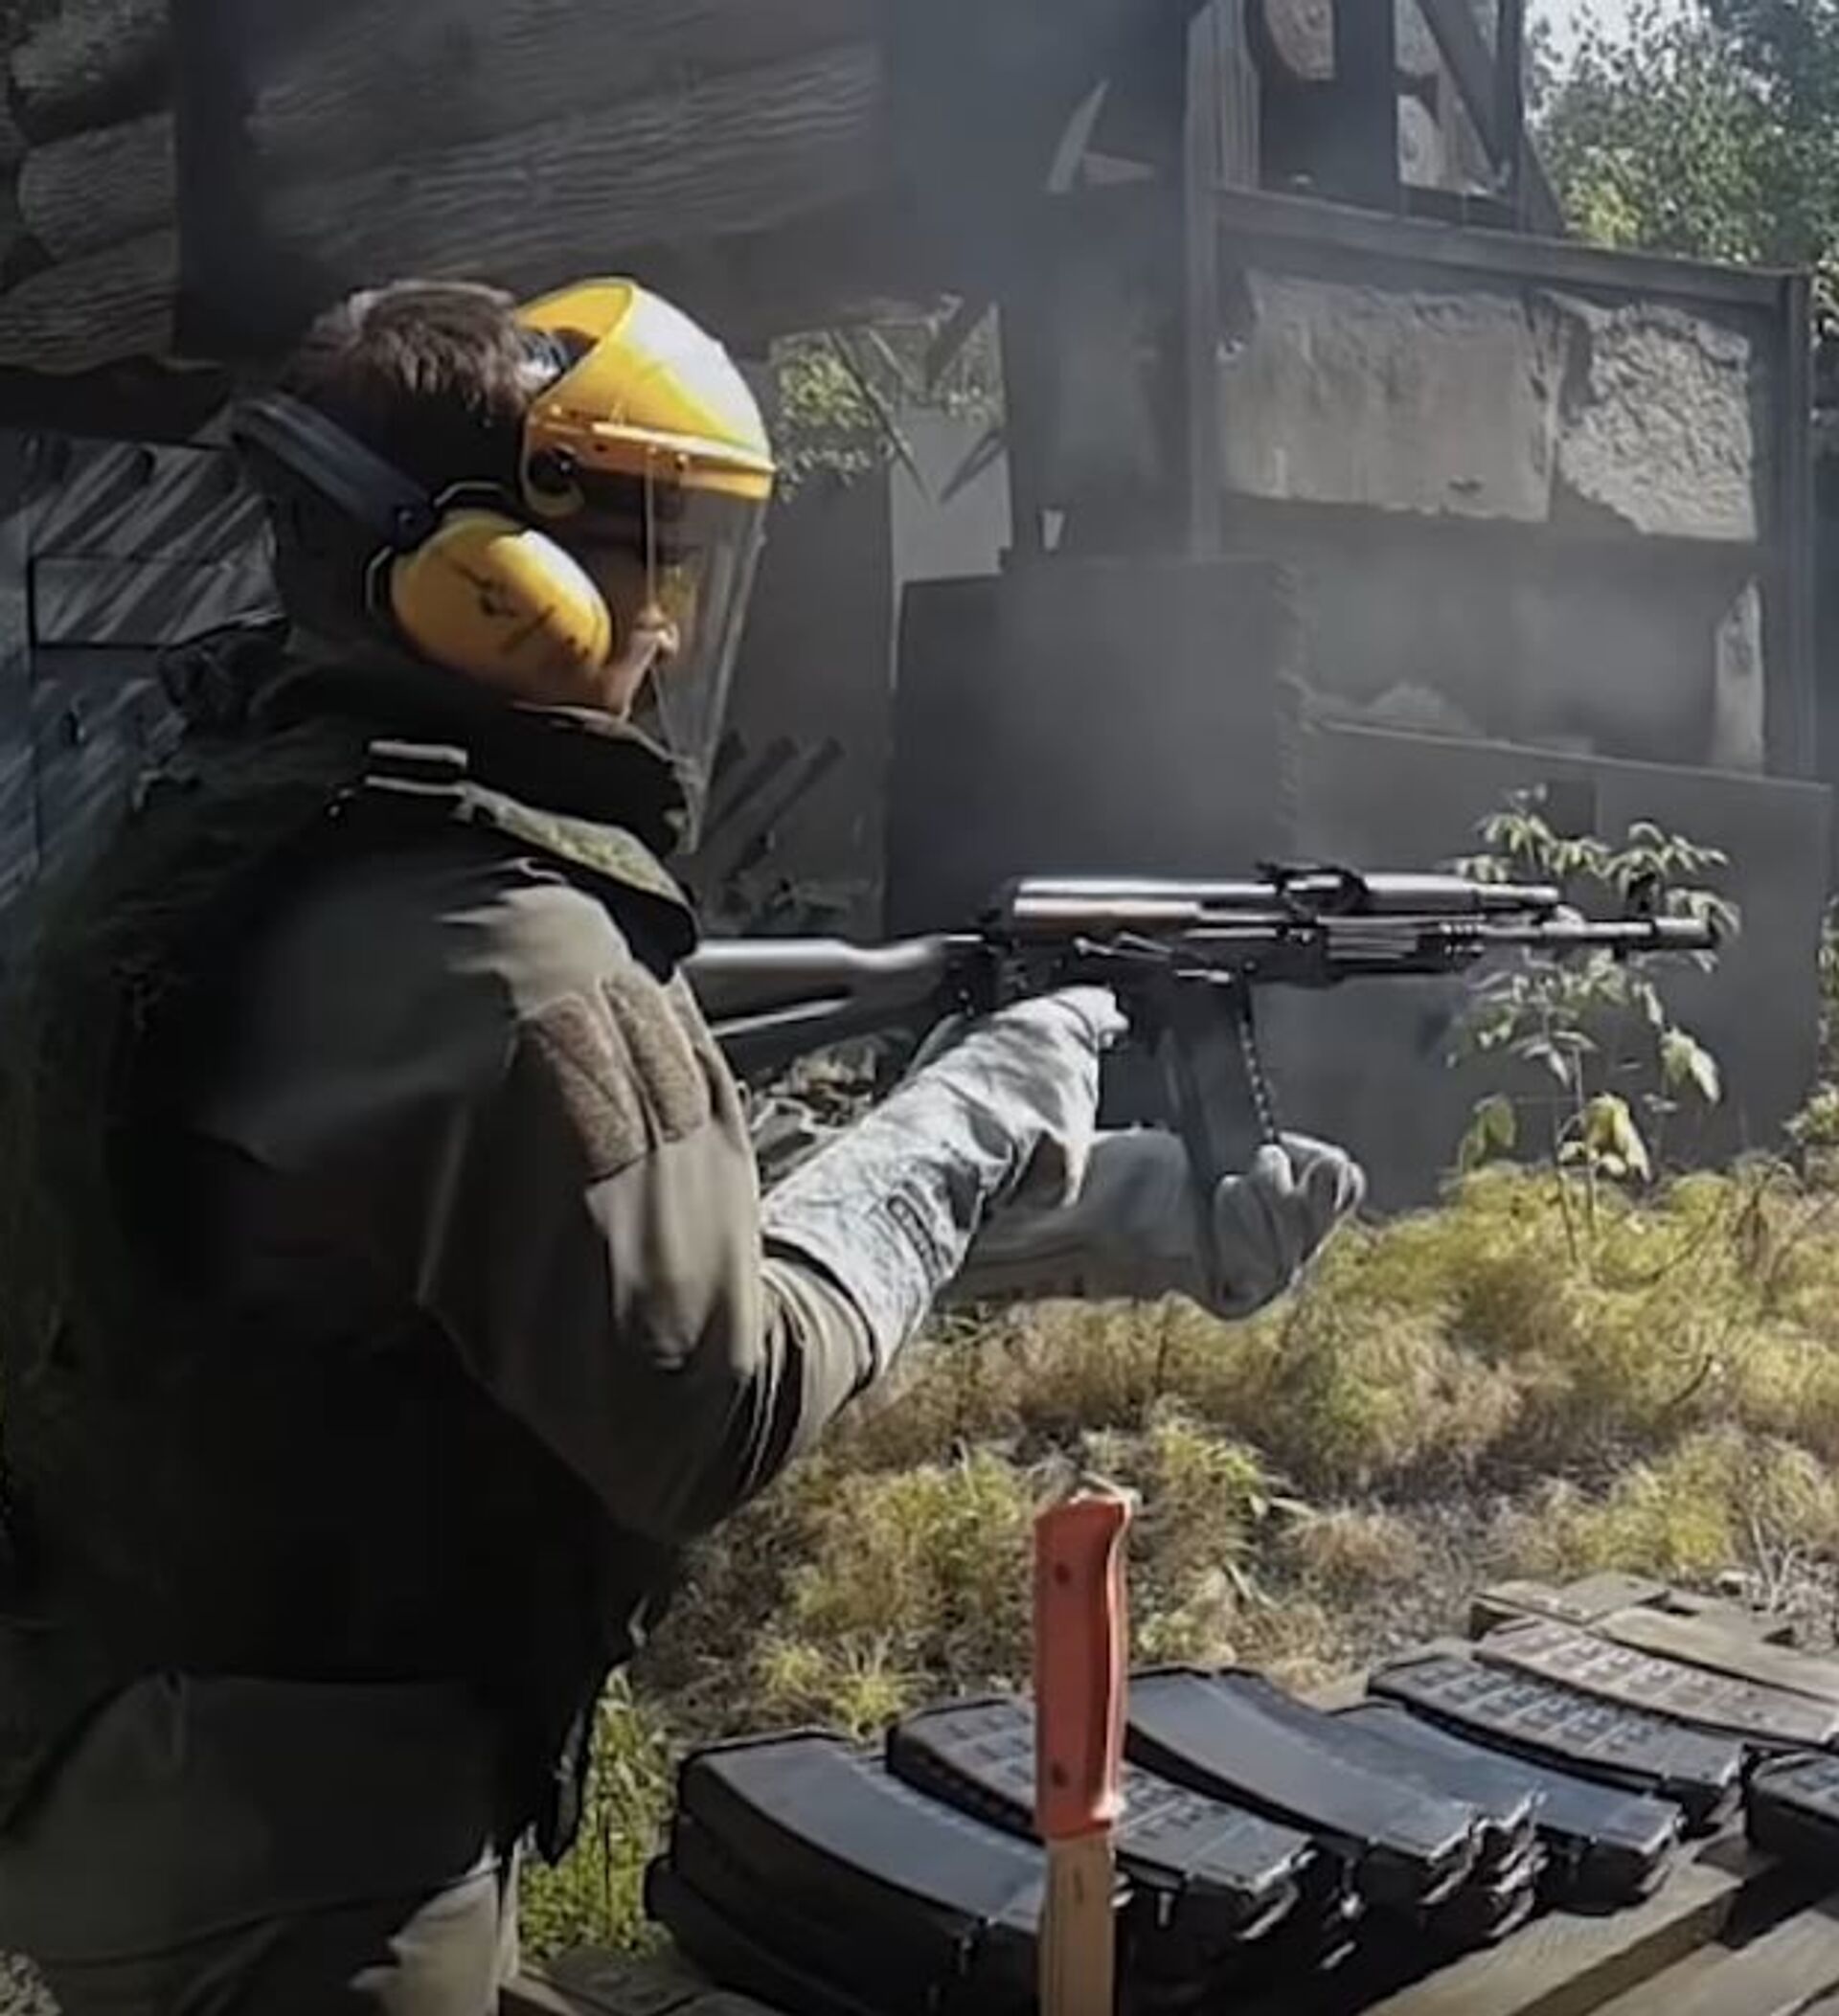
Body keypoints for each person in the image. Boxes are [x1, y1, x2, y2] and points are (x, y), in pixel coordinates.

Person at [0, 277, 1364, 2015]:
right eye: (654, 553)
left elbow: (539, 1250)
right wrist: (968, 1125)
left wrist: (1111, 1212)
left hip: (141, 1727)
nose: (672, 618)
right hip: (292, 1842)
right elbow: (708, 1403)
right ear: (496, 580)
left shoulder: (254, 829)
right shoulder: (491, 950)